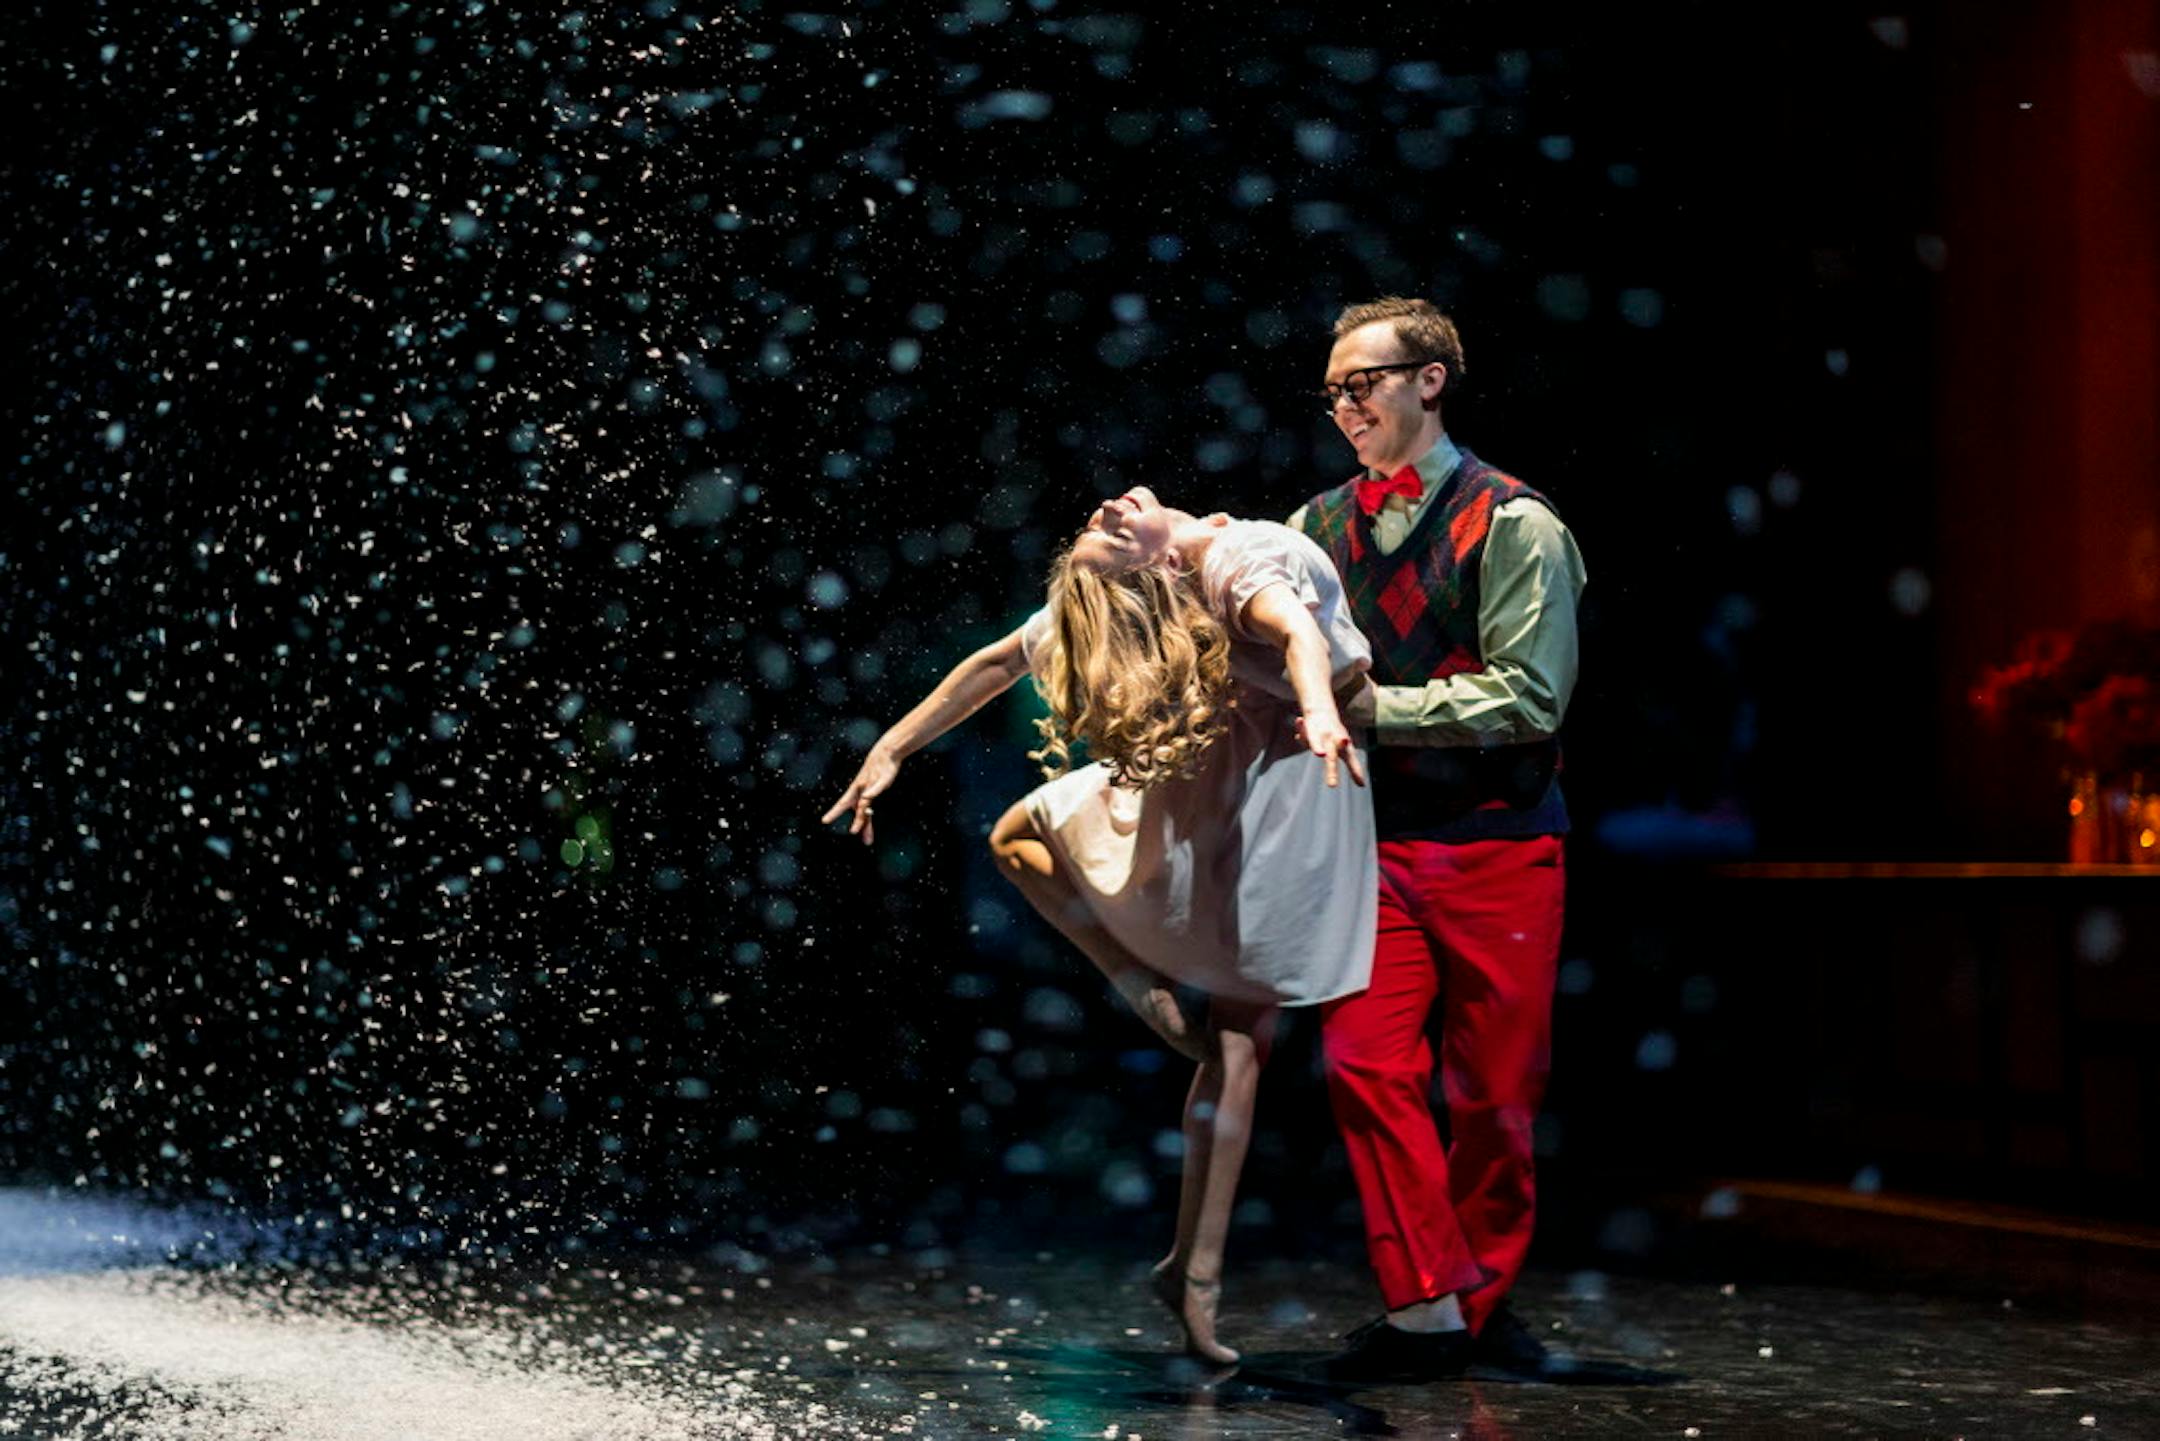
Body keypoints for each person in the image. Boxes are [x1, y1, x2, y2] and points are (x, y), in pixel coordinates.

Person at [823, 488, 1376, 1365]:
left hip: (1285, 774)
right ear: (1151, 571)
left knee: (1237, 1044)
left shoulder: (1234, 553)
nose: (1109, 509)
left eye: (1106, 521)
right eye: (1105, 532)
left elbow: (1304, 638)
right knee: (1019, 835)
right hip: (1251, 759)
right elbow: (999, 662)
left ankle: (1192, 1276)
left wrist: (1315, 709)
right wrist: (892, 745)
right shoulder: (1217, 569)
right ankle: (1135, 979)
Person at [1290, 297, 1587, 1382]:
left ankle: (1474, 1305)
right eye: (1332, 389)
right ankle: (1429, 1303)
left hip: (1498, 843)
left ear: (1430, 379)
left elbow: (1531, 696)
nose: (1345, 404)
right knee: (1364, 1064)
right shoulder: (1315, 528)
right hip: (1367, 846)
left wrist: (1381, 710)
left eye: (1363, 381)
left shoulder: (1514, 523)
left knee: (1493, 1100)